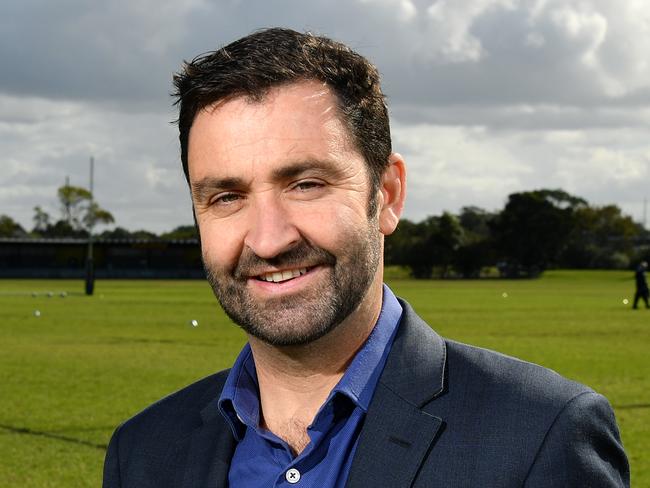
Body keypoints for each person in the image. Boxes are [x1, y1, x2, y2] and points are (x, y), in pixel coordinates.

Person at [103, 28, 629, 487]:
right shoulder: (144, 452)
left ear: (388, 194)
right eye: (226, 197)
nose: (267, 240)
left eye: (306, 184)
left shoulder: (540, 436)